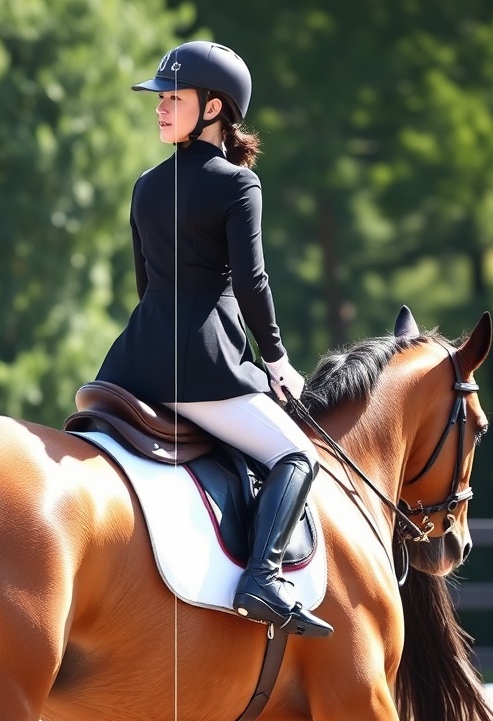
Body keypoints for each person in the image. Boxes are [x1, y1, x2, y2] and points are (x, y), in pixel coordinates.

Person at [96, 41, 332, 638]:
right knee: (296, 454)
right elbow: (251, 282)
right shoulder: (238, 187)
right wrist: (277, 360)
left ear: (213, 108)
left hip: (130, 364)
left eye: (172, 98)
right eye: (160, 99)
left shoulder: (145, 187)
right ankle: (263, 578)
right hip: (201, 368)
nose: (159, 108)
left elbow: (145, 283)